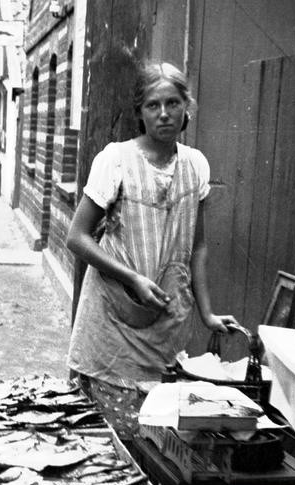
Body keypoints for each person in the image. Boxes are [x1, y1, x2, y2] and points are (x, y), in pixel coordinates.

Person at [64, 61, 237, 438]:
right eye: (153, 105)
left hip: (166, 323)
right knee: (113, 450)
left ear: (186, 107)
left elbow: (198, 245)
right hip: (113, 325)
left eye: (173, 103)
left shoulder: (196, 166)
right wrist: (132, 277)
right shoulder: (115, 160)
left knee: (158, 447)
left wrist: (207, 315)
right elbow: (76, 237)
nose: (164, 114)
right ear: (140, 112)